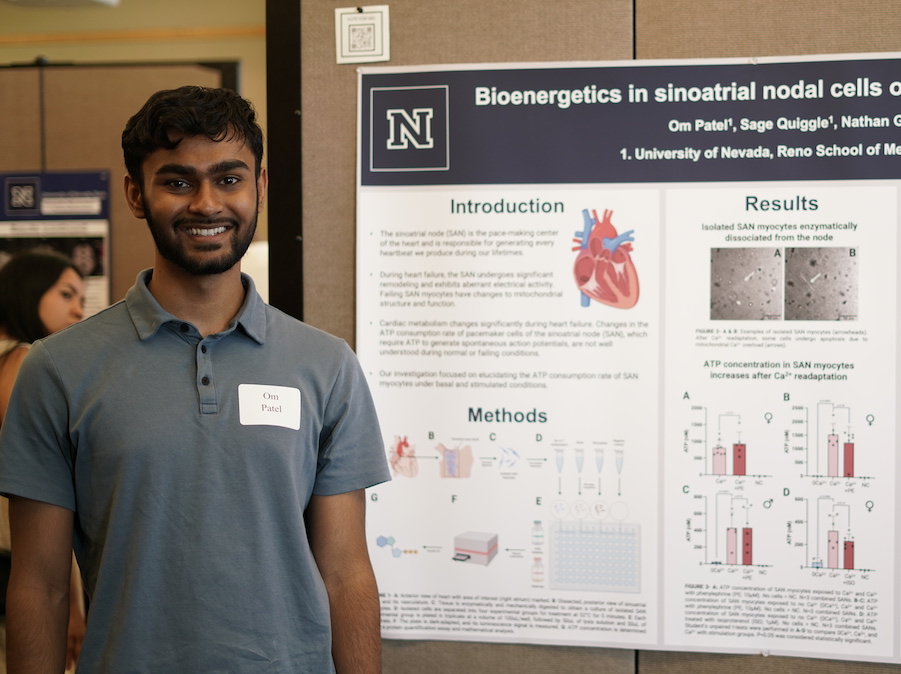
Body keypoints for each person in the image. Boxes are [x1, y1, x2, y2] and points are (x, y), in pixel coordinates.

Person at [0, 86, 390, 673]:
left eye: (229, 179)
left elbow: (346, 573)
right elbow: (40, 586)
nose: (207, 203)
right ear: (137, 193)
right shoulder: (56, 370)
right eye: (178, 181)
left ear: (259, 187)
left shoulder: (327, 365)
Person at [0, 249, 88, 673]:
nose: (78, 309)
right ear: (29, 293)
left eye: (82, 300)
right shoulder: (25, 366)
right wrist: (73, 606)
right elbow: (45, 503)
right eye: (67, 294)